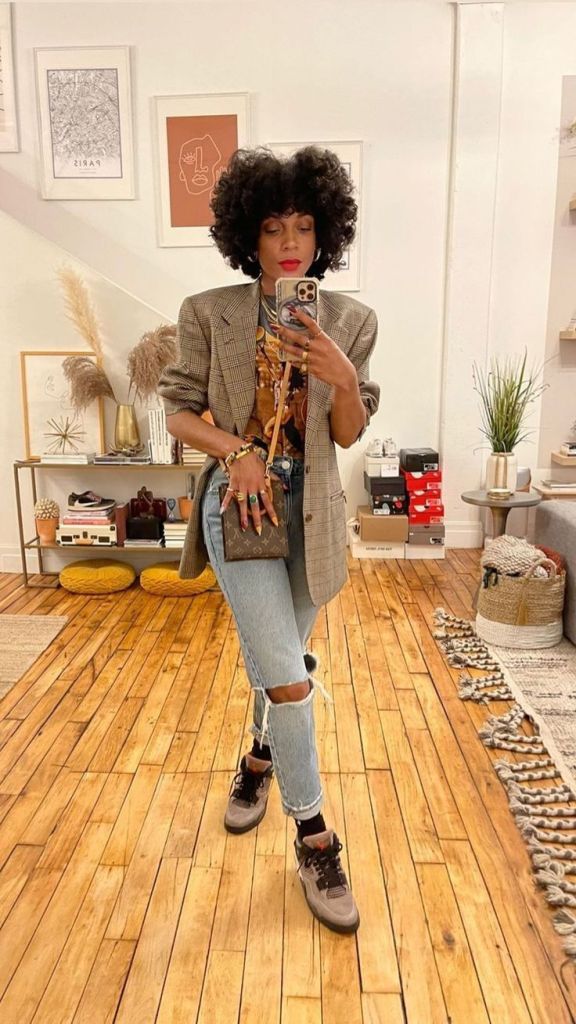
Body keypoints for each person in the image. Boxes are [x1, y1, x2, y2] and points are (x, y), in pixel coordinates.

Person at [158, 146, 379, 934]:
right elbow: (178, 412)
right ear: (247, 236)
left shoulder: (352, 322)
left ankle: (258, 761)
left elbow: (347, 434)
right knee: (288, 678)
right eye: (274, 227)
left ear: (326, 234)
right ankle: (315, 838)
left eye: (305, 226)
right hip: (241, 508)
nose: (290, 243)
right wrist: (237, 453)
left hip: (312, 515)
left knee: (281, 660)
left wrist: (341, 376)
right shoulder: (207, 312)